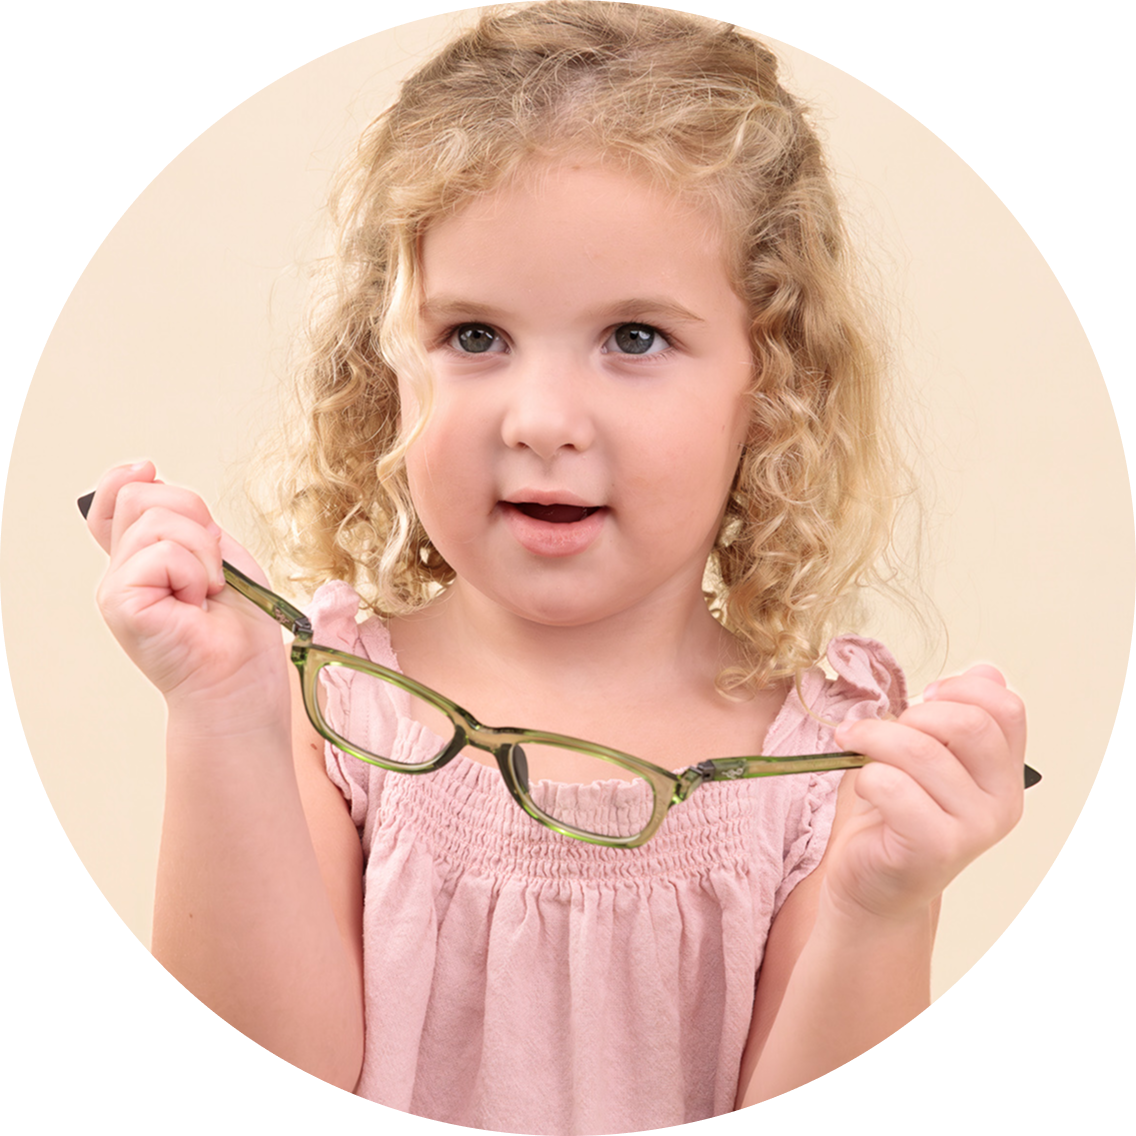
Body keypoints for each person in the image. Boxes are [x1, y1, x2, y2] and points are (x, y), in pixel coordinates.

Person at [82, 4, 1028, 1130]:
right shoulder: (332, 699)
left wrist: (884, 901)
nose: (538, 419)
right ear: (385, 367)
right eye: (473, 336)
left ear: (772, 385)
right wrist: (219, 710)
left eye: (633, 337)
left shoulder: (827, 763)